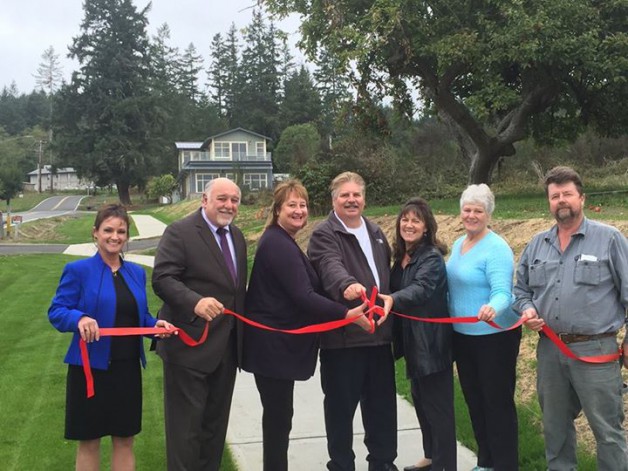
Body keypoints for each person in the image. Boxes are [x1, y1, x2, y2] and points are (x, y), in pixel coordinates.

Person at [242, 179, 370, 471]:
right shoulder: (277, 244)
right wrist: (345, 314)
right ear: (277, 211)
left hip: (275, 350)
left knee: (279, 419)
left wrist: (345, 294)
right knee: (277, 420)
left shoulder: (284, 241)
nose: (299, 211)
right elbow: (304, 296)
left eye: (303, 205)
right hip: (272, 350)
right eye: (292, 205)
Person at [514, 166, 628, 471]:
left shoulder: (610, 239)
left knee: (607, 432)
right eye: (555, 196)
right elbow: (521, 289)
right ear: (549, 202)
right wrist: (527, 309)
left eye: (567, 194)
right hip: (550, 350)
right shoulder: (538, 244)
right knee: (556, 430)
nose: (561, 200)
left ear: (582, 198)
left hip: (596, 352)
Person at [48, 204, 173, 471]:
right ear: (95, 233)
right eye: (108, 230)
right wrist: (79, 318)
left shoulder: (136, 272)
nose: (114, 237)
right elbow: (57, 311)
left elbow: (138, 318)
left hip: (127, 368)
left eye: (121, 231)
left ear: (127, 236)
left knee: (125, 439)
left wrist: (155, 325)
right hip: (89, 369)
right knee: (89, 441)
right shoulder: (78, 270)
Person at [152, 177, 247, 471]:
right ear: (204, 200)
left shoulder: (238, 237)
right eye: (222, 198)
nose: (228, 205)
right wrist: (195, 301)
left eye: (234, 200)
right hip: (189, 349)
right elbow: (163, 278)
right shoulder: (179, 232)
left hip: (227, 350)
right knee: (185, 433)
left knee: (214, 430)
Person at [307, 171, 397, 471]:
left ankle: (383, 463)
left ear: (364, 198)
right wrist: (346, 285)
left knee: (382, 408)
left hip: (378, 337)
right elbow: (328, 265)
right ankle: (342, 464)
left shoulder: (376, 232)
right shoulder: (324, 234)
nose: (351, 200)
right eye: (344, 195)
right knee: (340, 411)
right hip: (343, 341)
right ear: (334, 200)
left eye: (356, 194)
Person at [447, 184, 521, 471]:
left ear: (488, 214)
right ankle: (485, 461)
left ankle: (505, 464)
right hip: (464, 338)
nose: (471, 215)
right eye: (467, 209)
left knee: (497, 404)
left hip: (494, 338)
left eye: (478, 210)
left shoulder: (497, 248)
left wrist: (493, 307)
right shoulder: (458, 245)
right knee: (475, 402)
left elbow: (503, 291)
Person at [379, 198, 456, 471]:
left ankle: (445, 465)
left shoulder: (431, 258)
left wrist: (392, 299)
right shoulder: (402, 256)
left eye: (416, 221)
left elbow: (421, 289)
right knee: (422, 404)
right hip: (414, 343)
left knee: (439, 410)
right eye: (405, 219)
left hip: (431, 344)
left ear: (426, 228)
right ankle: (431, 456)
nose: (409, 225)